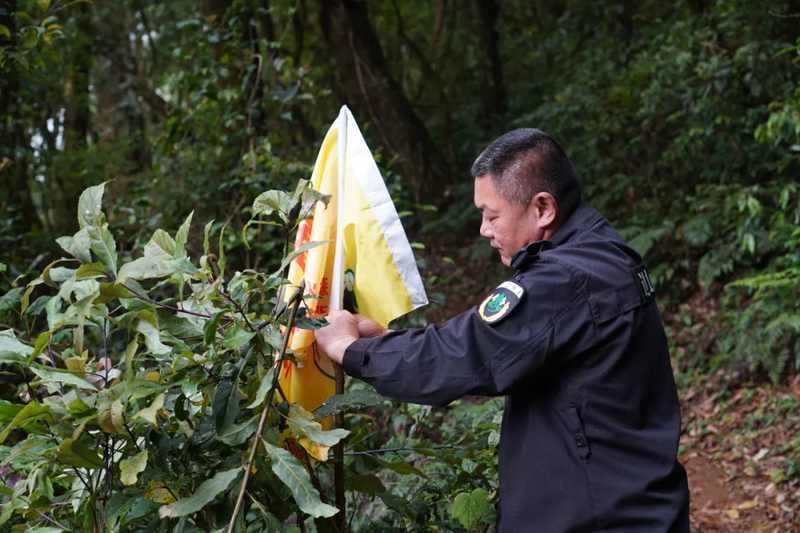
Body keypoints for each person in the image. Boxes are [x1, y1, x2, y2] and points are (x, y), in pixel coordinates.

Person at [315, 128, 690, 532]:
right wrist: (387, 343)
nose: (483, 229)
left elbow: (460, 357)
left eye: (491, 215)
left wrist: (348, 349)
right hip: (630, 505)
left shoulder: (564, 280)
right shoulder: (601, 251)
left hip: (602, 517)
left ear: (543, 208)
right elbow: (504, 345)